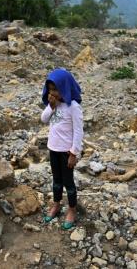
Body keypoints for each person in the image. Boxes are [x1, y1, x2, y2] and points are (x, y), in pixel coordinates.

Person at [41, 69, 83, 230]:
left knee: (68, 183)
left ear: (65, 87)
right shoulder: (54, 105)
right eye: (50, 89)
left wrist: (74, 153)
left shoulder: (73, 106)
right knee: (56, 181)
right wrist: (51, 106)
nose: (53, 93)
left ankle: (72, 209)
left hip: (66, 152)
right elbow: (43, 119)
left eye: (56, 89)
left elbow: (79, 131)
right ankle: (56, 204)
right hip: (53, 149)